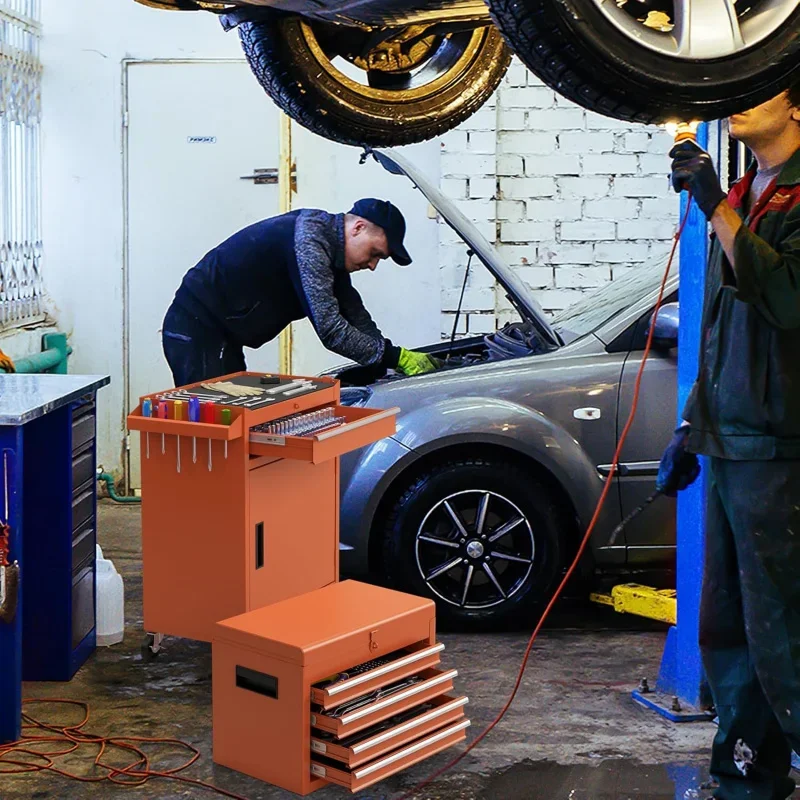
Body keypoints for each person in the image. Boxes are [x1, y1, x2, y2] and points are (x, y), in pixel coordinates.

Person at [657, 80, 800, 800]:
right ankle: (746, 779)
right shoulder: (743, 191)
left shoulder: (786, 199)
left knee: (784, 636)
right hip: (729, 443)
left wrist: (715, 208)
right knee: (728, 630)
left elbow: (786, 300)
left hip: (781, 452)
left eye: (762, 87)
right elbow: (717, 327)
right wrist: (691, 424)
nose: (737, 98)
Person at [162, 199, 440, 386]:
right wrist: (395, 357)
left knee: (232, 431)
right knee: (212, 437)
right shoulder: (310, 241)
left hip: (221, 335)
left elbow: (355, 315)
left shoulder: (332, 250)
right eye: (375, 253)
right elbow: (331, 330)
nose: (372, 265)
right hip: (195, 328)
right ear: (358, 228)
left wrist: (387, 363)